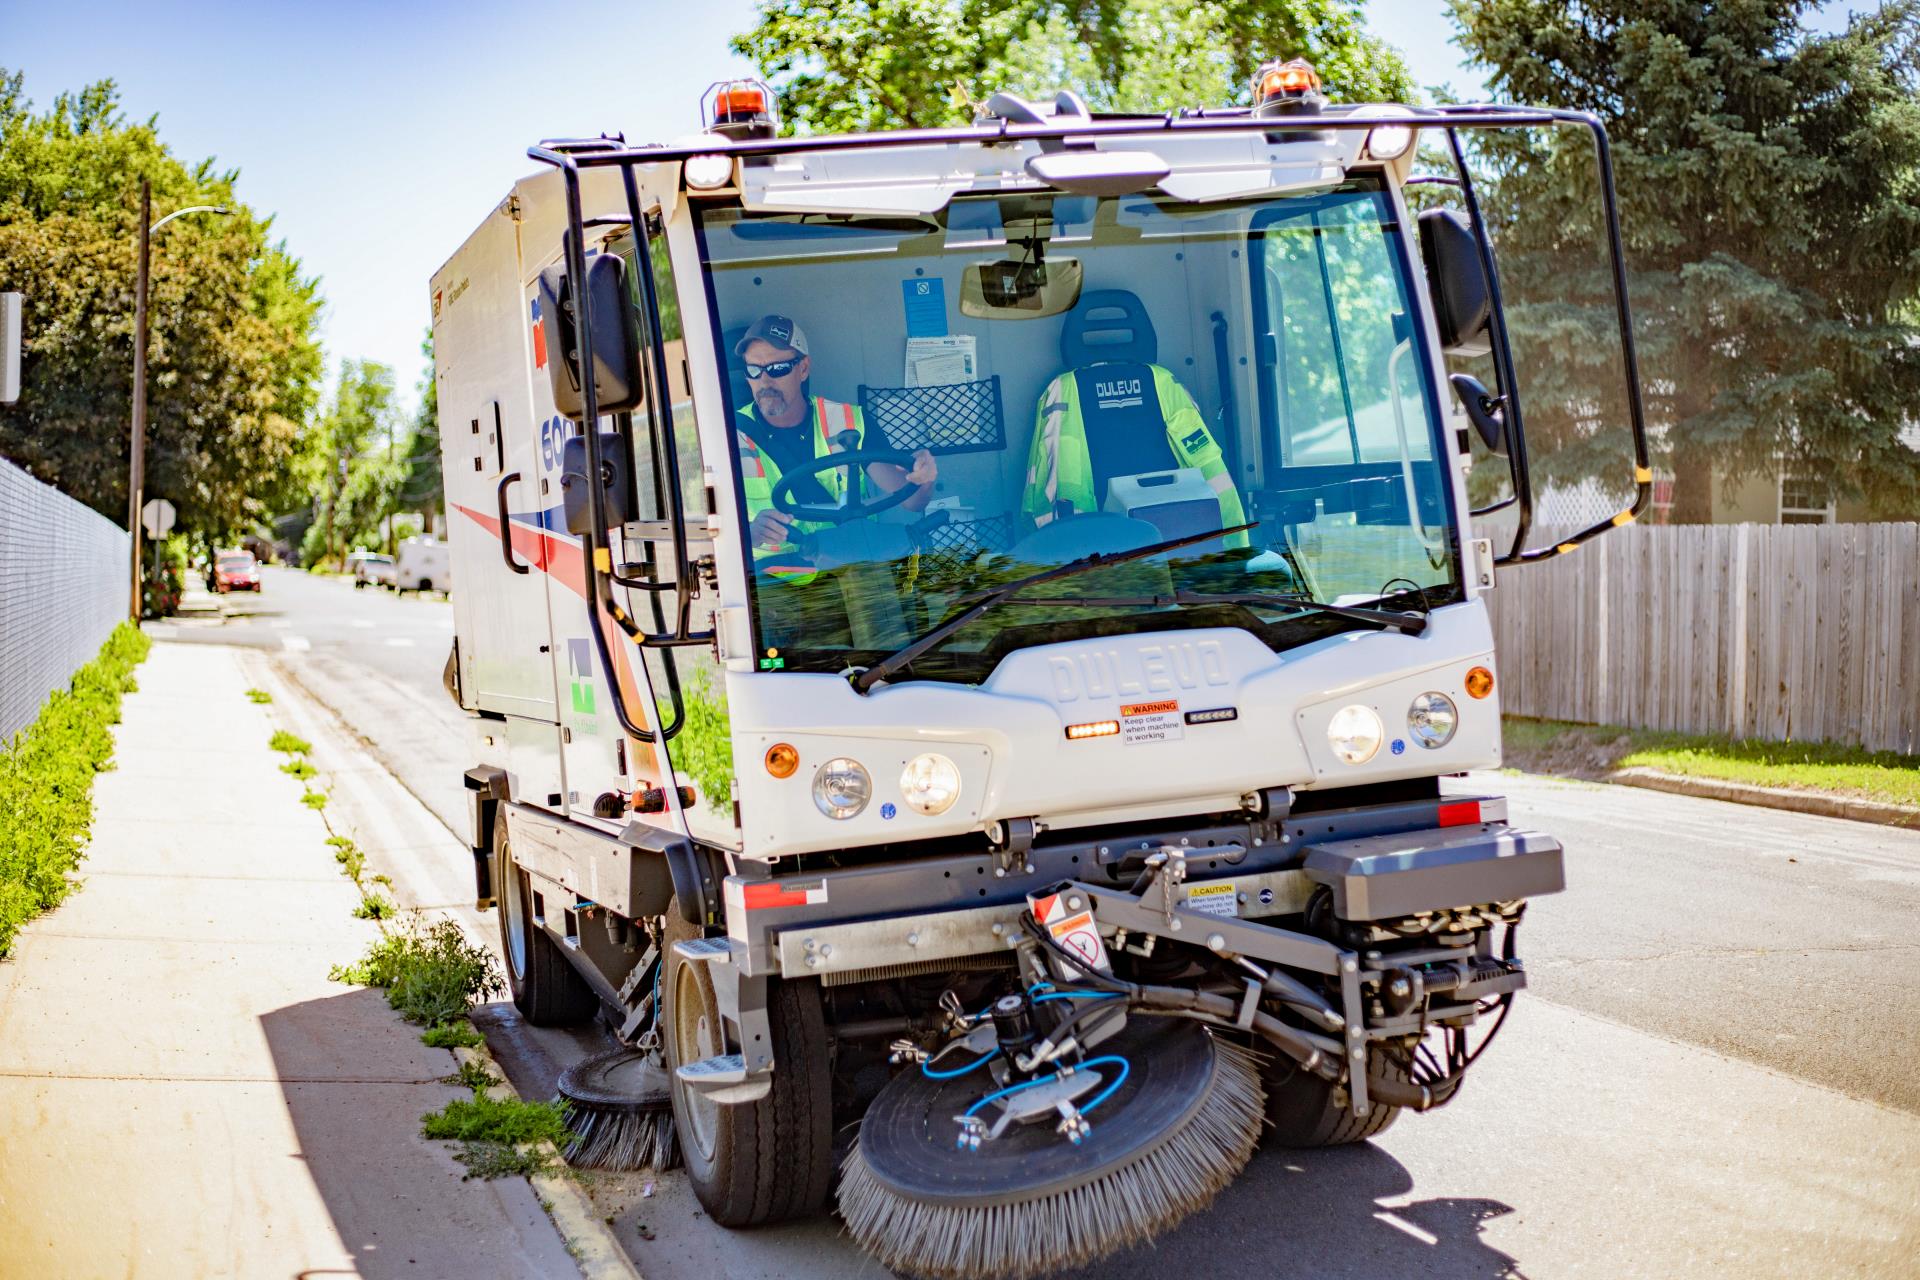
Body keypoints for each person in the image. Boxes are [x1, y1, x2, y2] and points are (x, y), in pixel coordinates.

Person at [733, 314, 936, 554]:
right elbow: (709, 530)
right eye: (753, 370)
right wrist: (749, 534)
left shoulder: (849, 421)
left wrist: (925, 478)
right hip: (778, 580)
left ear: (804, 368)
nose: (764, 381)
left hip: (855, 567)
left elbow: (912, 501)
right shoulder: (727, 436)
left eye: (778, 369)